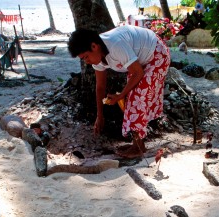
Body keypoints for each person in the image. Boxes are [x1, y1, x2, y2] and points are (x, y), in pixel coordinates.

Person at [67, 25, 171, 158]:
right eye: (83, 59)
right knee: (131, 100)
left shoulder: (115, 45)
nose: (86, 62)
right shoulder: (97, 58)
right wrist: (100, 115)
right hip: (140, 62)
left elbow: (138, 72)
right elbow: (100, 87)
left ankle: (138, 147)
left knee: (136, 99)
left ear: (94, 46)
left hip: (157, 54)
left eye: (86, 57)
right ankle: (137, 143)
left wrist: (121, 95)